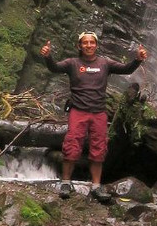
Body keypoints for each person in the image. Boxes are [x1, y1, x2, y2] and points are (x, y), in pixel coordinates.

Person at [41, 32, 147, 203]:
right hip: (78, 111)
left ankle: (96, 187)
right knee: (71, 146)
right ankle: (66, 183)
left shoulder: (104, 63)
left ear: (96, 45)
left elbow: (126, 69)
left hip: (99, 113)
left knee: (98, 149)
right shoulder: (72, 63)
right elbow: (54, 67)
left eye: (92, 42)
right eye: (85, 43)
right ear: (79, 46)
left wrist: (138, 59)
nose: (89, 45)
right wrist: (48, 57)